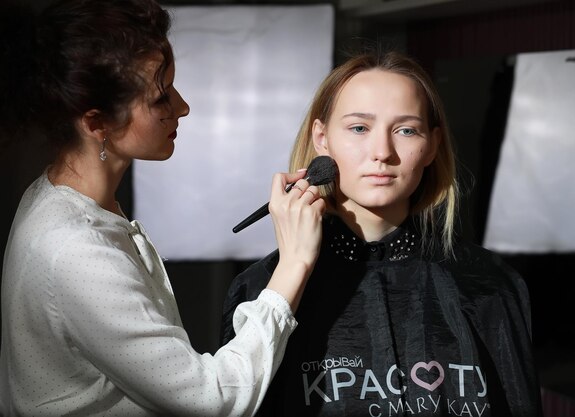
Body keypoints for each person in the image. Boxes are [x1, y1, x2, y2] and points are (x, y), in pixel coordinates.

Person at [0, 0, 325, 415]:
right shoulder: (73, 250)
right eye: (161, 99)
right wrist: (294, 263)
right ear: (97, 123)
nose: (182, 107)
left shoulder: (60, 195)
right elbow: (212, 400)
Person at [220, 50, 544, 416]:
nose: (382, 152)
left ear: (432, 145)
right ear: (322, 138)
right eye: (359, 128)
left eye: (406, 130)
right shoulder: (261, 290)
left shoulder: (491, 284)